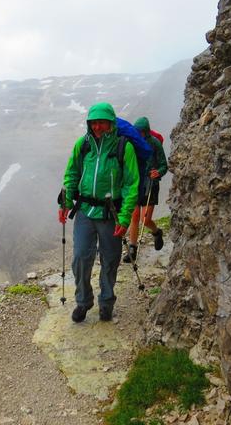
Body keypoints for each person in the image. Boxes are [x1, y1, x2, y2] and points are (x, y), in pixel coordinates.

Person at [58, 102, 139, 322]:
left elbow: (132, 184)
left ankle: (106, 302)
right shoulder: (82, 145)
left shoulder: (124, 147)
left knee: (110, 259)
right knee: (81, 258)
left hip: (111, 215)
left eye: (102, 122)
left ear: (111, 123)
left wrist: (124, 217)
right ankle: (83, 302)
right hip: (85, 210)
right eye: (94, 122)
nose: (97, 127)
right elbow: (71, 174)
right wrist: (65, 202)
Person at [123, 116, 167, 263]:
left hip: (151, 184)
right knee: (134, 216)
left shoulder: (155, 143)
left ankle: (156, 232)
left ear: (146, 131)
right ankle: (132, 249)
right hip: (137, 183)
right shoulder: (133, 143)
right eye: (137, 131)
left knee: (145, 219)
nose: (139, 134)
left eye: (141, 131)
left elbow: (163, 164)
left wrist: (158, 172)